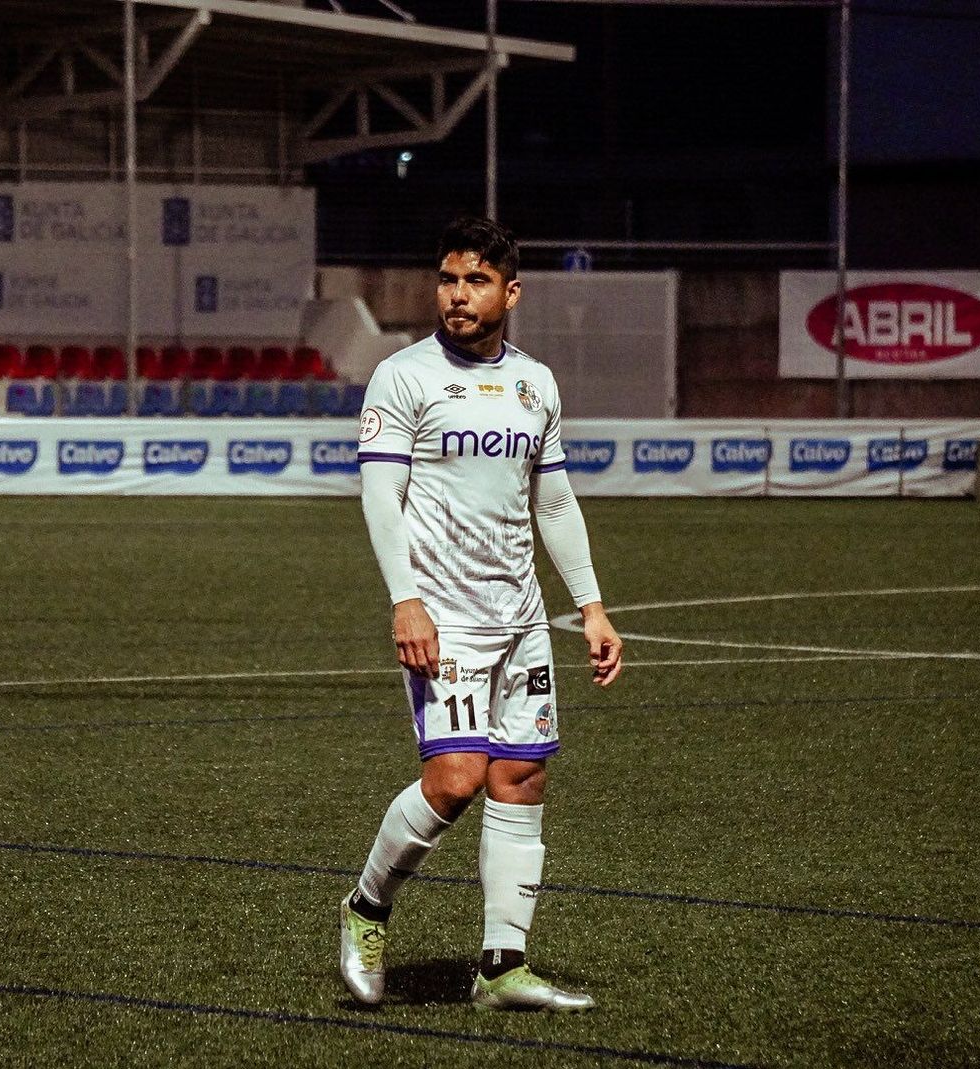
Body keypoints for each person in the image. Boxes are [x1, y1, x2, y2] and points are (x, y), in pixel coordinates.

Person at [340, 218, 623, 1012]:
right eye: (448, 280)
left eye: (476, 281)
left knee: (521, 775)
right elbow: (381, 496)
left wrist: (591, 607)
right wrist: (406, 600)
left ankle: (503, 968)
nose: (457, 295)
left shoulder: (536, 383)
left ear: (511, 292)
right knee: (456, 779)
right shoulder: (403, 376)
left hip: (521, 616)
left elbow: (553, 500)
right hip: (444, 615)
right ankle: (366, 906)